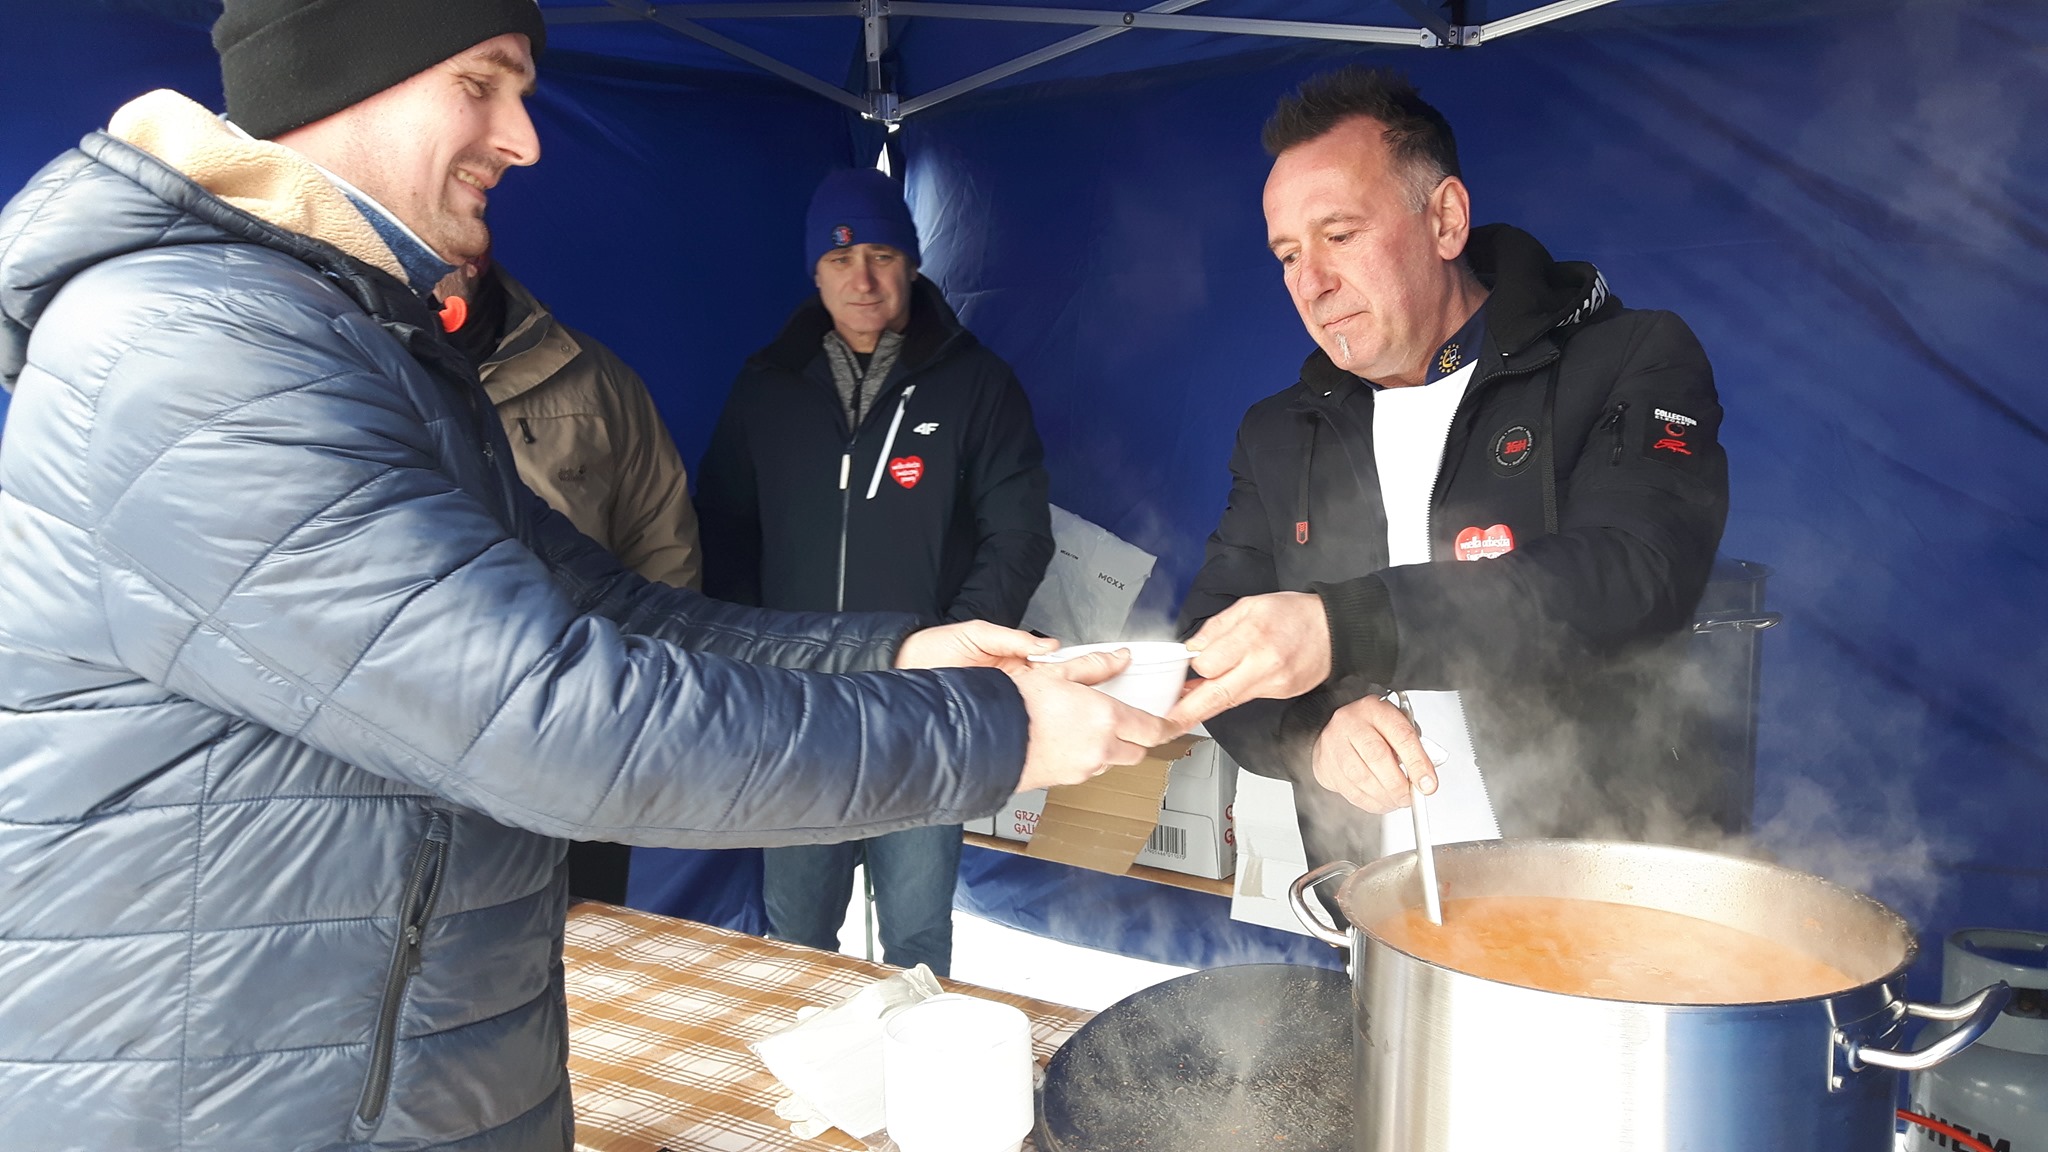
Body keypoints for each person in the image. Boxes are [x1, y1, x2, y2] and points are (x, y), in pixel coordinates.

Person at [0, 4, 1179, 1149]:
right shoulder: (199, 353)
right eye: (482, 82)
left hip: (390, 1078)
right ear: (338, 72)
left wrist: (901, 653)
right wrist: (989, 730)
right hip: (237, 1104)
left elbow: (606, 603)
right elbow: (555, 717)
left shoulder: (359, 345)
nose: (525, 138)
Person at [1169, 66, 1729, 876]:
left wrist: (1342, 628)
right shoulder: (1281, 431)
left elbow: (1634, 571)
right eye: (1288, 254)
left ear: (1445, 220)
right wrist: (1311, 735)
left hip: (1602, 889)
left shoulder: (1628, 358)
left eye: (1340, 234)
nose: (1311, 284)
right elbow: (1215, 640)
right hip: (1378, 906)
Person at [696, 168, 1055, 976]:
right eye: (838, 261)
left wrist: (951, 652)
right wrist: (761, 655)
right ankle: (817, 1100)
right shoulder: (765, 388)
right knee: (797, 936)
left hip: (926, 714)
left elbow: (1019, 535)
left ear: (914, 261)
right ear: (813, 273)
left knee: (919, 944)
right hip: (799, 713)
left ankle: (911, 1098)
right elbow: (722, 530)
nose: (861, 280)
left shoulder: (978, 385)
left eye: (883, 255)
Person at [437, 252, 702, 905]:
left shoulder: (593, 380)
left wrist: (645, 699)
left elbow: (661, 540)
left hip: (583, 731)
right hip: (429, 738)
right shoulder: (355, 370)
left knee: (590, 945)